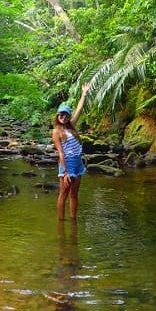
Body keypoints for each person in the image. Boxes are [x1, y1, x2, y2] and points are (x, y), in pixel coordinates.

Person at [53, 83, 90, 220]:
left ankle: (73, 220)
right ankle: (61, 221)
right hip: (66, 164)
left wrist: (84, 94)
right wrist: (66, 172)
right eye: (61, 114)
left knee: (74, 194)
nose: (63, 117)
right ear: (57, 116)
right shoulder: (56, 132)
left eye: (66, 115)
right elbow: (61, 153)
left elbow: (79, 109)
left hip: (77, 162)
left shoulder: (72, 126)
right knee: (63, 193)